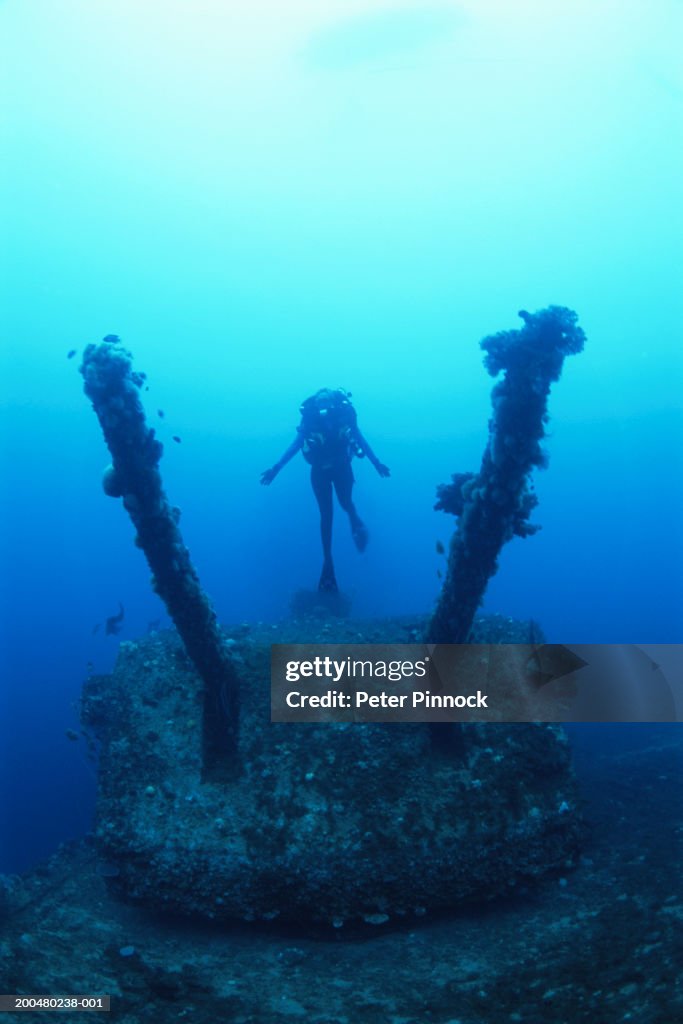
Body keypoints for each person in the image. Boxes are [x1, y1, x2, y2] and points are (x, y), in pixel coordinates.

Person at [261, 388, 390, 592]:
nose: (323, 407)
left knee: (345, 503)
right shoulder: (310, 420)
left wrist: (377, 463)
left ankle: (354, 518)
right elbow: (295, 446)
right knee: (326, 516)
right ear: (315, 404)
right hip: (319, 471)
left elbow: (360, 439)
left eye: (326, 402)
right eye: (320, 403)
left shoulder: (344, 416)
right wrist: (276, 468)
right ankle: (328, 563)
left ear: (334, 402)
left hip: (342, 468)